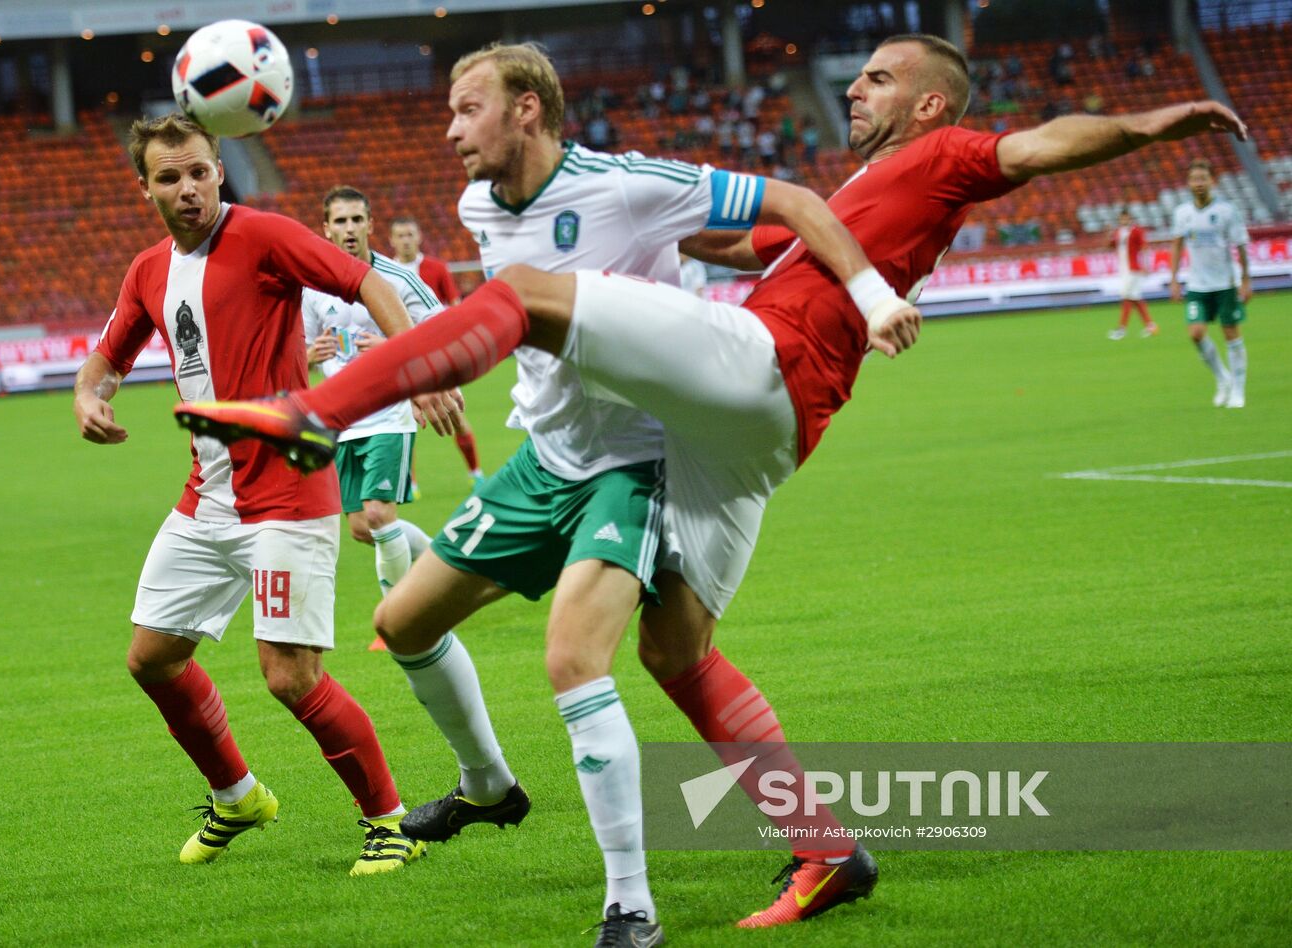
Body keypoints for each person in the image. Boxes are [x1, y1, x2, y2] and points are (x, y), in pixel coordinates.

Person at [177, 35, 1246, 935]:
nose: (853, 88)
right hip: (750, 434)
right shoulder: (861, 188)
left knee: (533, 297)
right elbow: (759, 239)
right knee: (674, 649)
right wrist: (684, 228)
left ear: (927, 103)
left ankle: (313, 413)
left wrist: (1153, 125)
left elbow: (1039, 145)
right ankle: (827, 851)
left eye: (877, 78)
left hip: (764, 368)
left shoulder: (944, 154)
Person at [75, 113, 457, 876]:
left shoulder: (265, 235)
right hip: (208, 494)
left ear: (220, 169)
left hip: (287, 488)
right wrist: (91, 396)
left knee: (290, 675)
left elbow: (365, 280)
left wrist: (417, 369)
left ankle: (389, 822)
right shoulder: (149, 271)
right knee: (153, 658)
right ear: (145, 187)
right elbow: (106, 360)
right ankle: (238, 796)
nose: (189, 189)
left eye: (200, 172)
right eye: (170, 177)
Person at [304, 187, 449, 652]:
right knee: (363, 529)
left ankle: (401, 623)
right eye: (340, 221)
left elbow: (443, 328)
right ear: (326, 229)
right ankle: (443, 564)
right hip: (343, 422)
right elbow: (297, 350)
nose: (349, 229)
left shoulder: (397, 279)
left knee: (378, 515)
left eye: (356, 220)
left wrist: (393, 345)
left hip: (390, 412)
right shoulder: (313, 287)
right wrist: (310, 354)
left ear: (370, 224)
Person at [389, 215, 485, 482]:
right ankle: (409, 482)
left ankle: (476, 474)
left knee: (455, 415)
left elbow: (454, 308)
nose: (406, 240)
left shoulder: (436, 269)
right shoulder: (385, 273)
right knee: (404, 421)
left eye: (410, 234)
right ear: (392, 240)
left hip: (438, 356)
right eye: (400, 235)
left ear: (419, 237)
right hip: (403, 358)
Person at [1169, 160, 1251, 407]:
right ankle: (1223, 378)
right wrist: (1174, 279)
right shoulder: (1182, 213)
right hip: (1197, 285)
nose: (1199, 184)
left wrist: (1246, 279)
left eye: (1203, 179)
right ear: (1188, 183)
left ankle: (1238, 390)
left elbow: (1240, 245)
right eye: (1194, 179)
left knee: (1231, 334)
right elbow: (1177, 245)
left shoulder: (1227, 211)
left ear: (1211, 181)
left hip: (1224, 283)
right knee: (1196, 333)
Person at [1107, 208, 1158, 339]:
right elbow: (1111, 245)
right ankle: (1150, 326)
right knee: (1135, 297)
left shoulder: (1136, 231)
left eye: (1126, 217)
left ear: (1130, 218)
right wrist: (1108, 234)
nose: (1124, 220)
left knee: (1126, 296)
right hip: (1123, 269)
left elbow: (1144, 247)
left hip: (1134, 269)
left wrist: (1146, 265)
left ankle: (1121, 329)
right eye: (1122, 218)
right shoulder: (1118, 232)